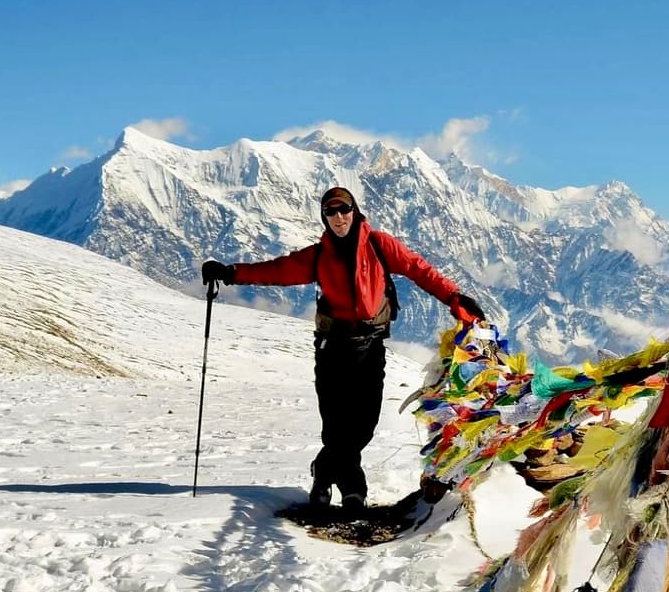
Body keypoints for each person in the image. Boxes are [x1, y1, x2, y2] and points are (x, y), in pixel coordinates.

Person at [202, 186, 486, 509]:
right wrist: (230, 273)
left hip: (370, 344)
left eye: (344, 210)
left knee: (364, 422)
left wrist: (453, 297)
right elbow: (277, 271)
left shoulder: (379, 245)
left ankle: (323, 473)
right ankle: (352, 489)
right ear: (324, 217)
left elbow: (418, 268)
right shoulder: (319, 255)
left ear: (355, 211)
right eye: (330, 212)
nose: (338, 218)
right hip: (332, 348)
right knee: (336, 425)